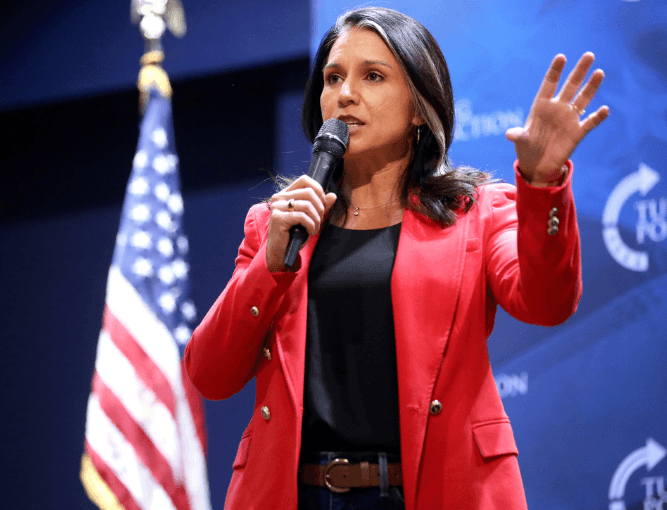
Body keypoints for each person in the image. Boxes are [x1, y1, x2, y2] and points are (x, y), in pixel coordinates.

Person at [184, 6, 608, 510]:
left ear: (417, 108)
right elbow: (210, 374)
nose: (345, 94)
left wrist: (542, 185)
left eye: (373, 76)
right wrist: (269, 266)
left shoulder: (475, 211)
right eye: (333, 77)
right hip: (298, 495)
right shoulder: (274, 223)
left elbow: (547, 302)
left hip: (438, 490)